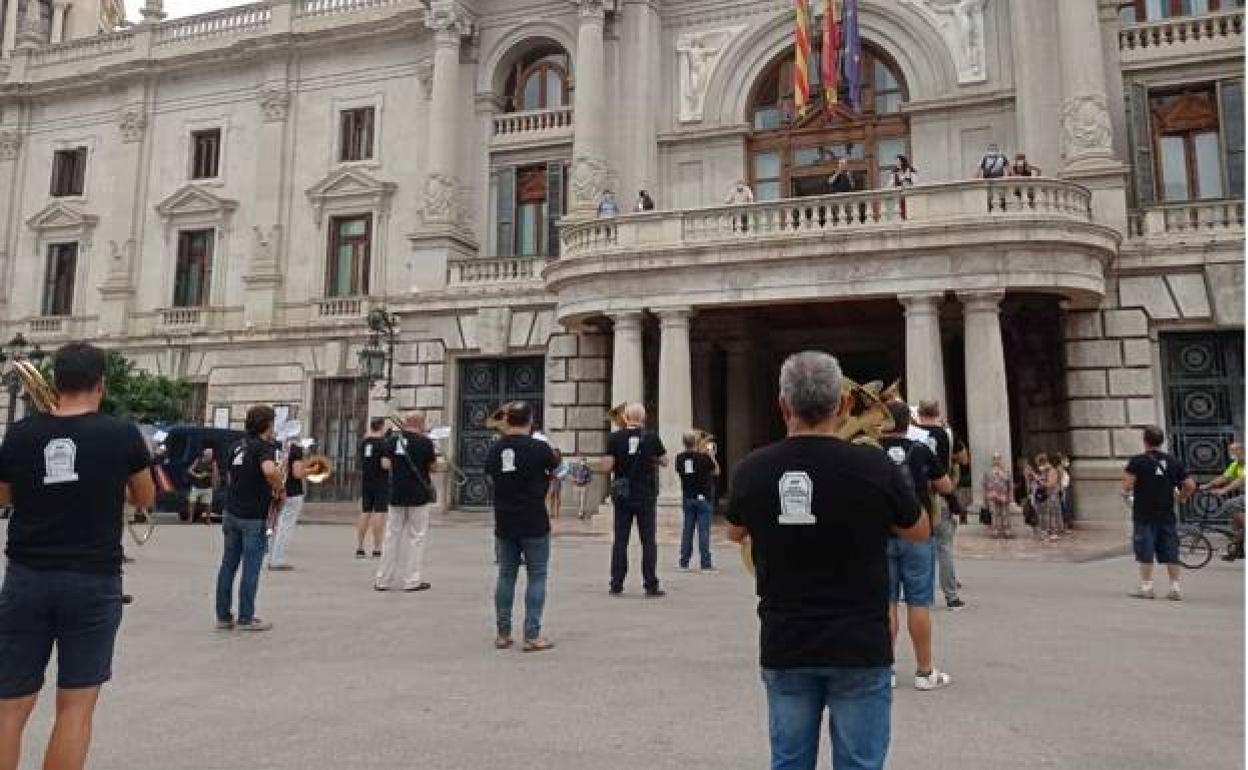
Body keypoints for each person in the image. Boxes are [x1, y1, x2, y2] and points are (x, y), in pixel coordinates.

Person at [726, 352, 929, 770]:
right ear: (842, 404)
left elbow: (735, 532)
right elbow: (918, 530)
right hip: (860, 643)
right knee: (859, 763)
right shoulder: (874, 465)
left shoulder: (751, 469)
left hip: (786, 640)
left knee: (789, 761)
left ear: (783, 406)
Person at [0, 342, 155, 770]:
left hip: (26, 577)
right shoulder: (120, 433)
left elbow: (4, 494)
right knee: (75, 707)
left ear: (57, 383)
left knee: (9, 707)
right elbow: (145, 498)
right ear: (101, 384)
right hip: (92, 579)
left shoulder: (20, 434)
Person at [880, 399, 954, 692]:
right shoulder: (920, 449)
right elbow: (946, 486)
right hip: (918, 532)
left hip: (882, 534)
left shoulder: (872, 452)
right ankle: (925, 671)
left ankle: (886, 671)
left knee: (886, 605)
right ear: (907, 424)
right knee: (918, 603)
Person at [485, 402, 558, 652]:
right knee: (537, 575)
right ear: (530, 420)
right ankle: (532, 634)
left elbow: (489, 476)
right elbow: (558, 469)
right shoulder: (539, 447)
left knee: (506, 575)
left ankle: (503, 633)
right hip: (534, 518)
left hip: (504, 518)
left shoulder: (495, 448)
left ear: (508, 420)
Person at [217, 405, 283, 632]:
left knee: (228, 565)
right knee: (251, 568)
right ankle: (246, 617)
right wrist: (279, 489)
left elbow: (227, 474)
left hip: (231, 511)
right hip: (254, 515)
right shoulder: (264, 447)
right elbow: (269, 471)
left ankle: (223, 615)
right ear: (267, 424)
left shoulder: (236, 445)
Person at [1122, 426, 1196, 601]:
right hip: (1166, 513)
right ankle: (1175, 587)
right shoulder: (1173, 461)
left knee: (1145, 549)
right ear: (1161, 441)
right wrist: (1182, 498)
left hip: (1144, 513)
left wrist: (1128, 492)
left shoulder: (1137, 461)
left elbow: (1127, 486)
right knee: (1171, 549)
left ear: (1145, 440)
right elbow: (1190, 485)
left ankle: (1147, 587)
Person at [602, 402, 667, 596]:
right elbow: (664, 461)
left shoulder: (614, 438)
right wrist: (650, 458)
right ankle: (650, 584)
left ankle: (616, 583)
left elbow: (607, 467)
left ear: (625, 418)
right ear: (643, 418)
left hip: (623, 496)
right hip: (645, 495)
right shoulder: (651, 437)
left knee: (620, 540)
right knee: (648, 541)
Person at [376, 413, 436, 592]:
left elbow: (385, 464)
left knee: (391, 537)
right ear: (420, 423)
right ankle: (412, 580)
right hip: (418, 495)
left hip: (397, 493)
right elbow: (432, 467)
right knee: (416, 537)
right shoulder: (425, 442)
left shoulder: (393, 441)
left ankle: (382, 580)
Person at [915, 401, 965, 610]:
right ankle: (952, 597)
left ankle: (919, 595)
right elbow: (962, 459)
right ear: (938, 412)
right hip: (941, 496)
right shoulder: (948, 434)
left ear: (919, 413)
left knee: (918, 548)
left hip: (917, 498)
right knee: (945, 548)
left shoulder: (912, 434)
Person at [675, 431, 719, 572]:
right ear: (696, 442)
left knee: (687, 530)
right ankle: (705, 563)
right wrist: (711, 456)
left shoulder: (679, 458)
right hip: (703, 498)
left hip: (688, 497)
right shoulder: (704, 458)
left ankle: (684, 562)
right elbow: (716, 471)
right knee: (703, 531)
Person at [267, 429, 308, 571]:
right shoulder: (295, 449)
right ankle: (277, 559)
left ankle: (269, 556)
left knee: (273, 525)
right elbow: (297, 473)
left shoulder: (273, 447)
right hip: (293, 492)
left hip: (276, 490)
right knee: (285, 526)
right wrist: (311, 470)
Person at [1203, 442, 1244, 560]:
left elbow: (1241, 480)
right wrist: (1208, 485)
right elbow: (1224, 477)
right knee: (1235, 523)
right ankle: (1238, 550)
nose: (1232, 454)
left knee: (1230, 504)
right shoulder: (1235, 465)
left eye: (1235, 451)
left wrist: (1223, 490)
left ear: (1242, 451)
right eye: (1231, 451)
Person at [356, 417, 389, 559]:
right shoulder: (384, 444)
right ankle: (377, 548)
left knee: (365, 512)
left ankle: (360, 547)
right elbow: (385, 465)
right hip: (380, 481)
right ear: (381, 427)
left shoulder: (365, 443)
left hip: (366, 480)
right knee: (379, 513)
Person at [1033, 453, 1063, 541]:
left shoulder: (1052, 471)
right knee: (1046, 515)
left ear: (1043, 462)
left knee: (1052, 514)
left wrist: (1040, 482)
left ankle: (1054, 533)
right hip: (1045, 496)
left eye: (1039, 464)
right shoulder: (1044, 471)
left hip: (1052, 495)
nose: (1039, 467)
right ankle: (1047, 532)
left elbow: (1051, 484)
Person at [982, 452, 1013, 538]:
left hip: (1003, 495)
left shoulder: (1006, 470)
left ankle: (1006, 529)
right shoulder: (988, 471)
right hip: (992, 495)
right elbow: (984, 485)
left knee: (1004, 513)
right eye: (995, 458)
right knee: (994, 513)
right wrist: (984, 499)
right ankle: (995, 530)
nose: (996, 460)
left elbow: (1009, 484)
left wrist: (1010, 496)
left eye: (998, 458)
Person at [186, 447, 216, 524]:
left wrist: (208, 474)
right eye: (209, 454)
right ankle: (190, 518)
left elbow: (215, 473)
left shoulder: (213, 462)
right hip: (196, 486)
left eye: (211, 454)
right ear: (205, 454)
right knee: (192, 501)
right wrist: (197, 475)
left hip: (207, 486)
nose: (210, 456)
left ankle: (208, 519)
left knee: (208, 503)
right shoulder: (198, 460)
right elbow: (189, 470)